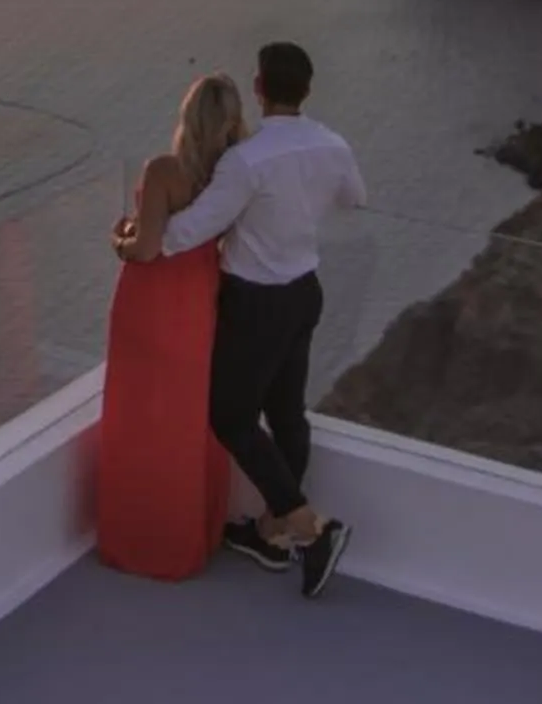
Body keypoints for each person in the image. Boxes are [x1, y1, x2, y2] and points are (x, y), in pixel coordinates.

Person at [121, 40, 365, 597]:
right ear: (307, 89)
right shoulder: (332, 144)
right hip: (306, 290)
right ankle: (273, 534)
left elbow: (186, 232)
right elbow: (355, 199)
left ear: (259, 88)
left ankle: (311, 529)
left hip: (255, 300)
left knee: (229, 417)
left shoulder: (246, 160)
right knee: (286, 414)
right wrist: (299, 205)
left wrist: (135, 235)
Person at [94, 73, 247, 578]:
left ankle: (143, 543)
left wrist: (119, 239)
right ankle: (192, 537)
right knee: (188, 416)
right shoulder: (234, 172)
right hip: (200, 299)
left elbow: (148, 249)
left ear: (188, 118)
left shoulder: (164, 170)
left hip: (151, 301)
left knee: (141, 415)